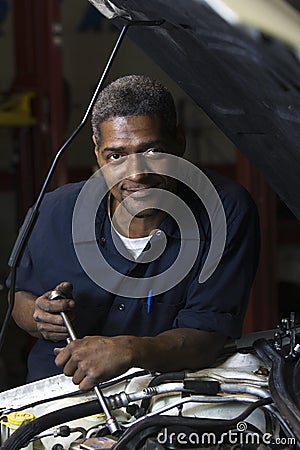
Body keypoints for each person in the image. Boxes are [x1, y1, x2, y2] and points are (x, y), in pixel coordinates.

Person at [8, 75, 260, 390]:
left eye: (152, 151)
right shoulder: (54, 211)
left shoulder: (224, 210)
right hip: (54, 394)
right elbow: (17, 297)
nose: (137, 173)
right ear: (97, 153)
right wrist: (37, 315)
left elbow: (207, 335)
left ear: (179, 141)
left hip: (164, 395)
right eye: (116, 156)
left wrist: (129, 350)